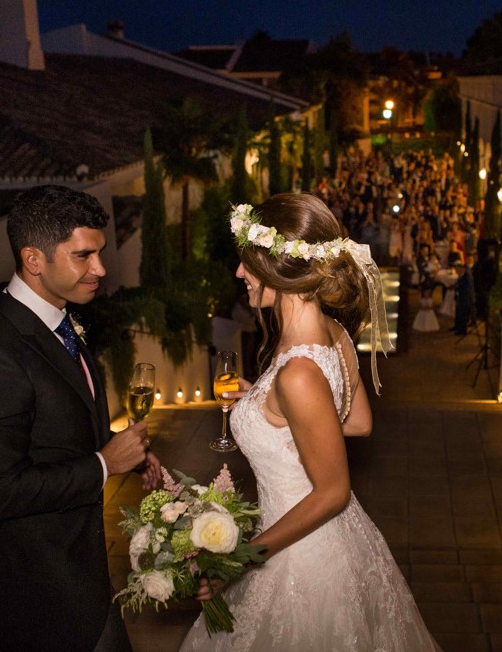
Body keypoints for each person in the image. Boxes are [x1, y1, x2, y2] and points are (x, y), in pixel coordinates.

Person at [179, 194, 439, 651]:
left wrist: (238, 562)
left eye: (249, 264)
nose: (240, 274)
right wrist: (265, 403)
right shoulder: (333, 332)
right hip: (332, 539)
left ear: (280, 270)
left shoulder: (298, 372)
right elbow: (358, 423)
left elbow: (333, 491)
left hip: (299, 557)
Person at [0, 185, 161, 652]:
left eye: (100, 254)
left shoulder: (56, 318)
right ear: (33, 258)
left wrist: (121, 448)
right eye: (83, 256)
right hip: (34, 595)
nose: (100, 269)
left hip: (79, 573)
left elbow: (55, 423)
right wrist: (105, 464)